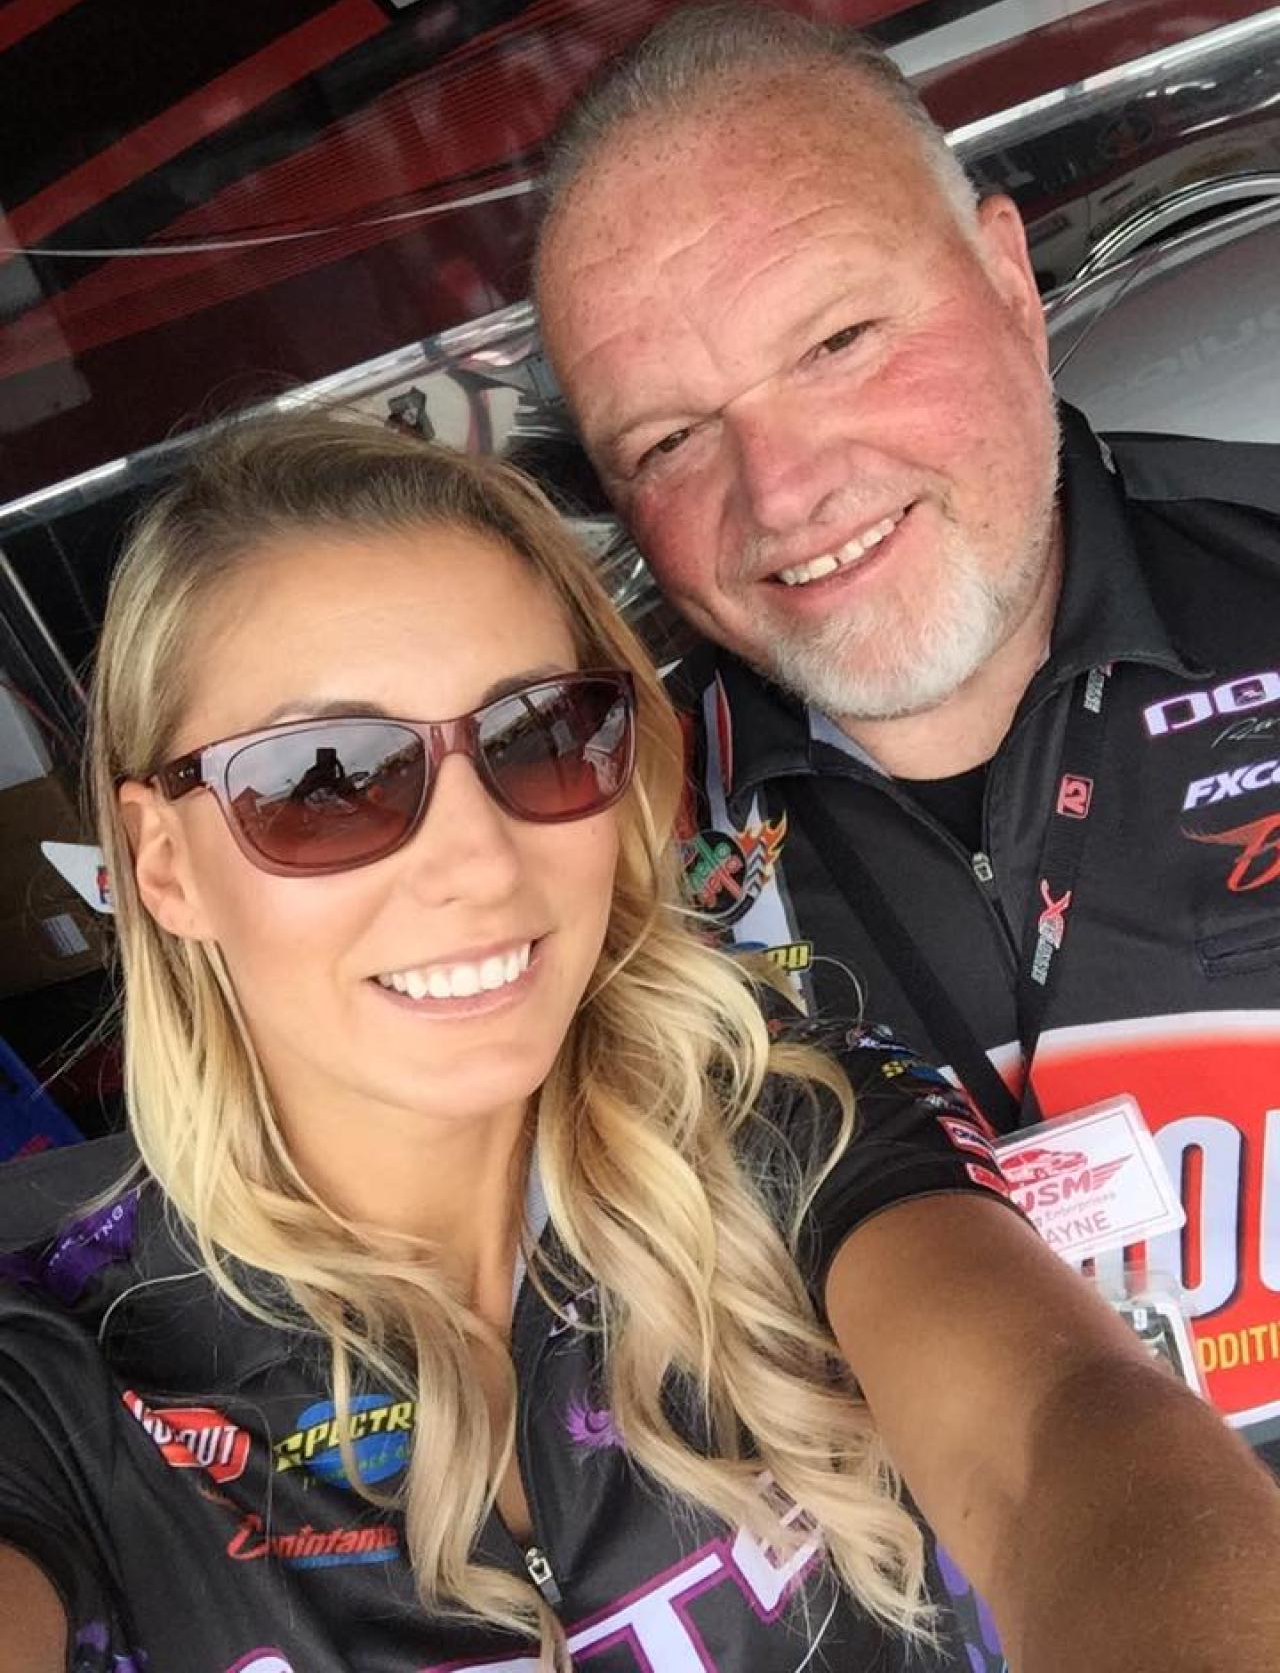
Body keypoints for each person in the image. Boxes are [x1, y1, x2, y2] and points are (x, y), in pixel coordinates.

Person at [1, 415, 1278, 1673]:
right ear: (164, 862)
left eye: (538, 735)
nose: (478, 858)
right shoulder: (58, 1356)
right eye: (322, 780)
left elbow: (1062, 1439)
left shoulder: (788, 1119)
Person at [533, 0, 1280, 1467]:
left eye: (837, 340)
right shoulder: (600, 868)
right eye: (670, 439)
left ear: (1005, 278)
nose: (783, 490)